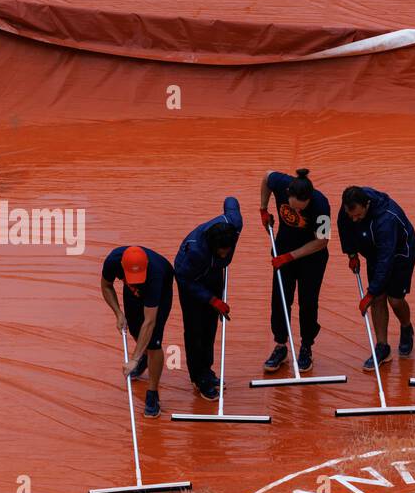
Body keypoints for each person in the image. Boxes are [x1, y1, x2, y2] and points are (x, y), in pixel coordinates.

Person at [337, 186, 415, 369]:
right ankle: (382, 347)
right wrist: (351, 254)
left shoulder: (386, 219)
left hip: (399, 254)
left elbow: (386, 260)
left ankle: (406, 327)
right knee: (379, 299)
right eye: (352, 216)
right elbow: (344, 226)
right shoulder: (349, 209)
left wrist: (370, 293)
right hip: (374, 252)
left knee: (395, 300)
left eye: (358, 216)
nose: (355, 220)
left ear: (367, 205)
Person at [258, 169, 331, 374]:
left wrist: (290, 256)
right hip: (283, 248)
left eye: (301, 208)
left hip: (312, 257)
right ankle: (280, 346)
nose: (296, 210)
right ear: (288, 193)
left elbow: (322, 241)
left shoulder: (321, 205)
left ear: (309, 199)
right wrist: (263, 209)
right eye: (292, 206)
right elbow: (266, 177)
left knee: (308, 301)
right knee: (280, 298)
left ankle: (306, 347)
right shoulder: (281, 183)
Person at [173, 196, 242, 400]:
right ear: (212, 246)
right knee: (196, 331)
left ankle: (207, 370)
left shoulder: (234, 225)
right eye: (222, 251)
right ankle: (198, 377)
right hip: (192, 281)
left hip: (212, 273)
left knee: (210, 326)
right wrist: (212, 300)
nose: (226, 254)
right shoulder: (195, 253)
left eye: (228, 250)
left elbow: (231, 201)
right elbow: (183, 278)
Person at [100, 245, 174, 417]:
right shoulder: (113, 261)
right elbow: (106, 286)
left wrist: (133, 358)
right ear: (123, 266)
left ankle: (152, 394)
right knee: (134, 327)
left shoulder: (156, 274)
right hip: (132, 292)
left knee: (153, 341)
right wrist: (118, 313)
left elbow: (149, 321)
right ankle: (144, 356)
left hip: (159, 291)